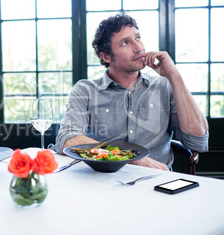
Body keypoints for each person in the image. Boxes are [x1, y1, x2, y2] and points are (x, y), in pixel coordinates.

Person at [54, 13, 208, 170]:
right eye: (125, 43)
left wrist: (174, 75)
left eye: (138, 38)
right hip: (102, 182)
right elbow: (68, 139)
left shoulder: (164, 86)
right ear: (106, 56)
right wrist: (132, 159)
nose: (139, 48)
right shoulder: (85, 91)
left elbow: (197, 142)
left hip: (158, 183)